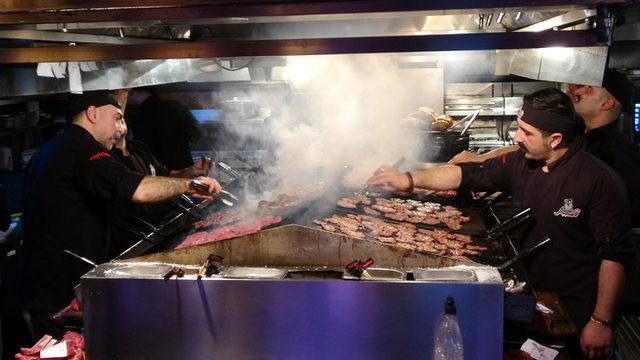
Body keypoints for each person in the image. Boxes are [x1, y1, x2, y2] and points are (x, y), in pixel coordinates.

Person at [367, 88, 636, 359]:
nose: (517, 137)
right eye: (519, 128)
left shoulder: (599, 181)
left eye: (526, 133)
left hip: (576, 312)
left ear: (554, 139)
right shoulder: (522, 162)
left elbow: (615, 257)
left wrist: (601, 321)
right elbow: (468, 175)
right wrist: (408, 179)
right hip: (533, 298)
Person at [17, 90, 222, 339]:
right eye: (116, 118)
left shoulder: (53, 149)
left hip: (43, 282)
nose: (119, 128)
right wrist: (190, 185)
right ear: (92, 114)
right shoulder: (81, 149)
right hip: (58, 289)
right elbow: (136, 189)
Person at [448, 68, 640, 227]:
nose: (574, 89)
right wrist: (483, 159)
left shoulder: (618, 156)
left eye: (586, 87)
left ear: (606, 103)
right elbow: (526, 149)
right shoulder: (580, 132)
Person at [125, 87, 202, 178]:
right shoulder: (175, 106)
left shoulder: (142, 116)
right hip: (184, 168)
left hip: (159, 176)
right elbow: (197, 134)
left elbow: (142, 151)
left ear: (130, 91)